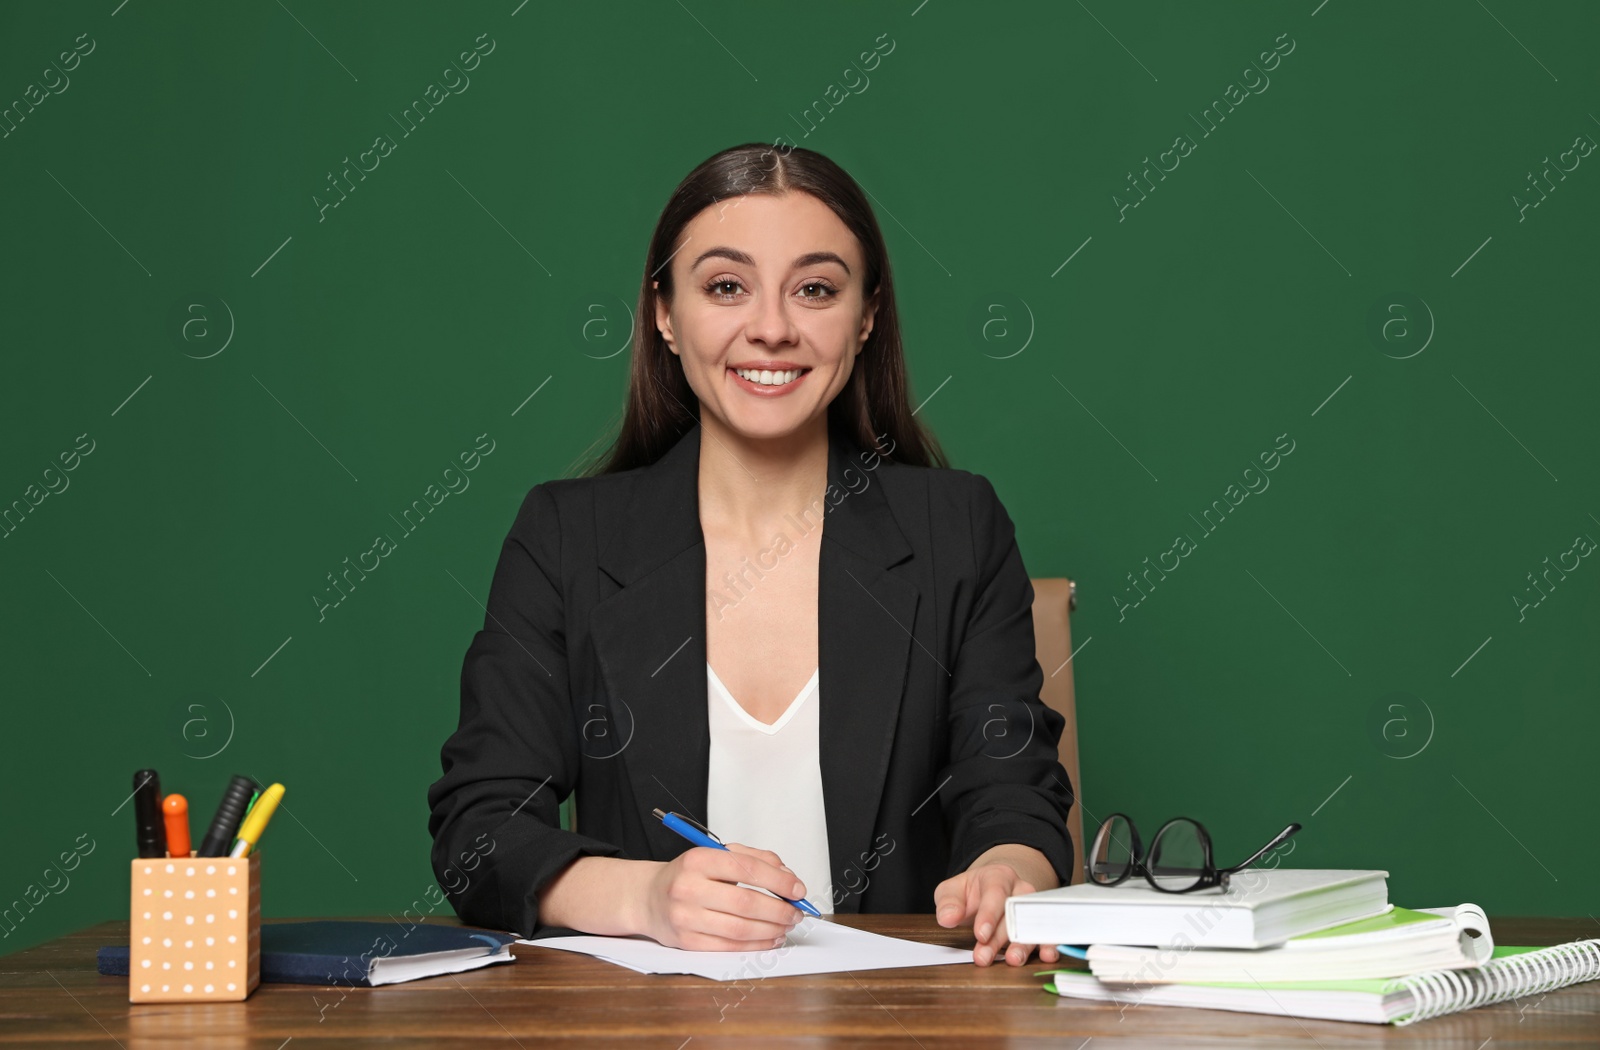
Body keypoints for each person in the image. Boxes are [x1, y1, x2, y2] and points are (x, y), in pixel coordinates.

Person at [427, 142, 1075, 967]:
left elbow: (1011, 788)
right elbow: (479, 830)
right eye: (726, 286)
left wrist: (1009, 871)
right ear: (664, 312)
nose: (771, 328)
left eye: (815, 289)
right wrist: (646, 897)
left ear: (866, 316)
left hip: (898, 1022)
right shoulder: (565, 536)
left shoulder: (959, 524)